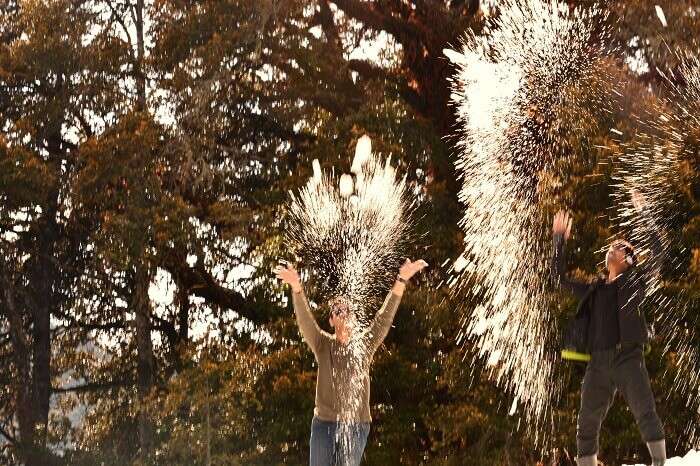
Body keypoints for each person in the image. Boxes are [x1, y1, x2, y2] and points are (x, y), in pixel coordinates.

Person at [274, 258, 428, 466]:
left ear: (354, 317)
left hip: (356, 425)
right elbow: (305, 321)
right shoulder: (323, 344)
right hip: (324, 424)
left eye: (346, 310)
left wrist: (401, 279)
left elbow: (384, 318)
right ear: (331, 321)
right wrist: (296, 287)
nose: (343, 314)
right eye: (337, 311)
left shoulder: (365, 344)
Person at [552, 191, 666, 466]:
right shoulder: (595, 289)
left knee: (645, 411)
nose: (612, 248)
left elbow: (660, 254)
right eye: (612, 246)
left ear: (629, 260)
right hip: (598, 362)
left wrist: (646, 214)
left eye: (619, 247)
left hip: (628, 357)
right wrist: (558, 241)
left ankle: (661, 463)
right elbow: (559, 278)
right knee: (587, 419)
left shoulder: (636, 281)